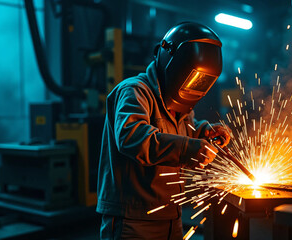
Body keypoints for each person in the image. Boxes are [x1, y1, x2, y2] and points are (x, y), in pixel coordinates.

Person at [97, 22, 231, 240]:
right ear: (172, 63)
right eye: (190, 78)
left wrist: (205, 132)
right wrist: (190, 148)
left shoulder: (179, 102)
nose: (193, 87)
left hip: (171, 215)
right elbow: (132, 138)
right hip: (133, 219)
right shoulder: (134, 91)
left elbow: (183, 131)